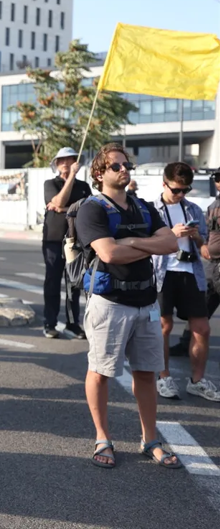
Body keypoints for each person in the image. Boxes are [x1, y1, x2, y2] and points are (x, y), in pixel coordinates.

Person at [75, 143, 180, 469]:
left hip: (147, 302)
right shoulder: (91, 209)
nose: (124, 170)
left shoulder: (144, 207)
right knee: (101, 372)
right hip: (110, 304)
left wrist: (132, 242)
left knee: (147, 374)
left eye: (126, 165)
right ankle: (102, 437)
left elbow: (172, 242)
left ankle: (150, 439)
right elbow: (108, 254)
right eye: (116, 166)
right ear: (99, 173)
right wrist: (148, 247)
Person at [151, 162, 219, 402]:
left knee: (202, 328)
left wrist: (197, 237)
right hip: (163, 272)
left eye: (185, 190)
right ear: (164, 184)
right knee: (163, 326)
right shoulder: (152, 210)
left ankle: (197, 381)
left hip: (191, 271)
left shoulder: (193, 209)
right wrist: (172, 233)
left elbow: (202, 245)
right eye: (176, 190)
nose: (181, 195)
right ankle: (163, 376)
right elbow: (146, 244)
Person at [42, 147, 92, 339]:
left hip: (76, 241)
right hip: (53, 240)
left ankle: (73, 323)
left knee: (74, 284)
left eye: (69, 160)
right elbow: (57, 199)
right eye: (61, 161)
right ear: (56, 164)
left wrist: (63, 209)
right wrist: (70, 178)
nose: (65, 164)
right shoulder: (50, 184)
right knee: (52, 282)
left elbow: (87, 210)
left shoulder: (84, 187)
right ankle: (50, 322)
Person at [175, 169, 220, 357]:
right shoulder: (214, 205)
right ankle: (187, 343)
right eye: (217, 179)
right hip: (211, 263)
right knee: (201, 307)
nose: (219, 182)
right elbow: (208, 232)